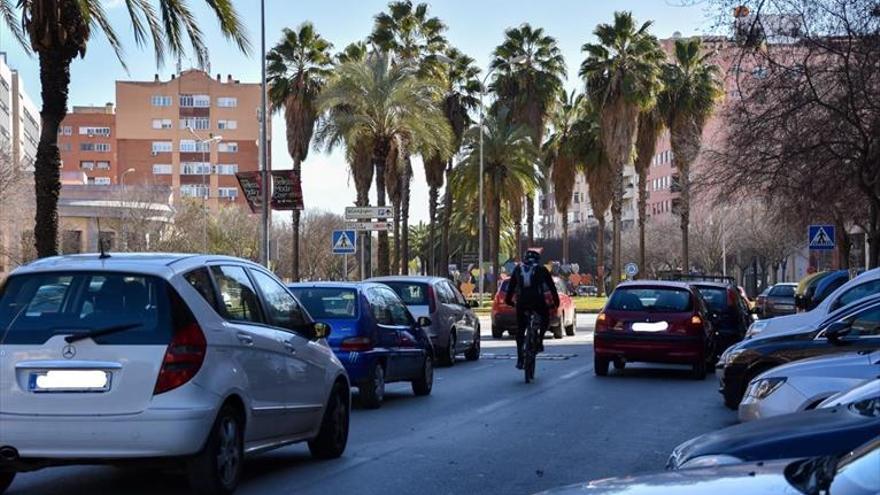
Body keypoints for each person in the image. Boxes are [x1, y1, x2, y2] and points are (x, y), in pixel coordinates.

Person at [504, 249, 560, 370]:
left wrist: (509, 302)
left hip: (522, 302)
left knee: (520, 330)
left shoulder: (518, 269)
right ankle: (539, 340)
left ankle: (520, 358)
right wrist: (556, 303)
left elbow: (511, 289)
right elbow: (552, 288)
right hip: (537, 301)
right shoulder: (541, 269)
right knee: (545, 317)